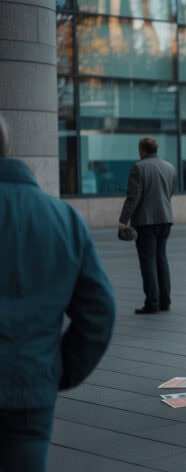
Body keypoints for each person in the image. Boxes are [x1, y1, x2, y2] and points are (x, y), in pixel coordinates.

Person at [0, 114, 116, 472]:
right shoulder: (62, 219)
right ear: (7, 147)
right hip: (30, 391)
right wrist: (60, 369)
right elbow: (99, 311)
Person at [118, 137, 178, 314]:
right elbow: (170, 192)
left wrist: (123, 220)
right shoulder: (170, 167)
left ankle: (152, 303)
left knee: (148, 262)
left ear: (142, 150)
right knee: (161, 258)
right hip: (166, 218)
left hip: (146, 221)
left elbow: (133, 196)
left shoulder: (139, 167)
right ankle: (165, 301)